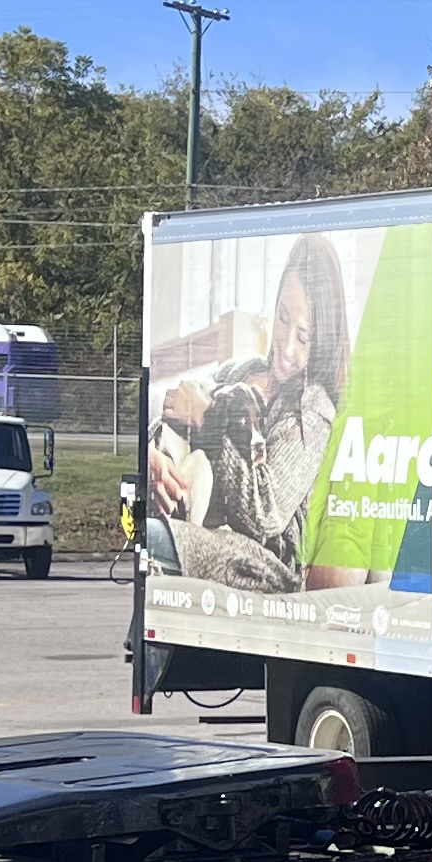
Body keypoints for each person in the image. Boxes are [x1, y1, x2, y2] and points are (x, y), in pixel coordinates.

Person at [149, 232, 350, 595]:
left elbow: (265, 518)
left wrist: (208, 418)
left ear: (323, 341)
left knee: (149, 539)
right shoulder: (238, 372)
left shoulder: (312, 409)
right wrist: (154, 460)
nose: (286, 346)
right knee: (145, 534)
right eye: (282, 318)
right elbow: (173, 409)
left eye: (304, 337)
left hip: (257, 562)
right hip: (195, 524)